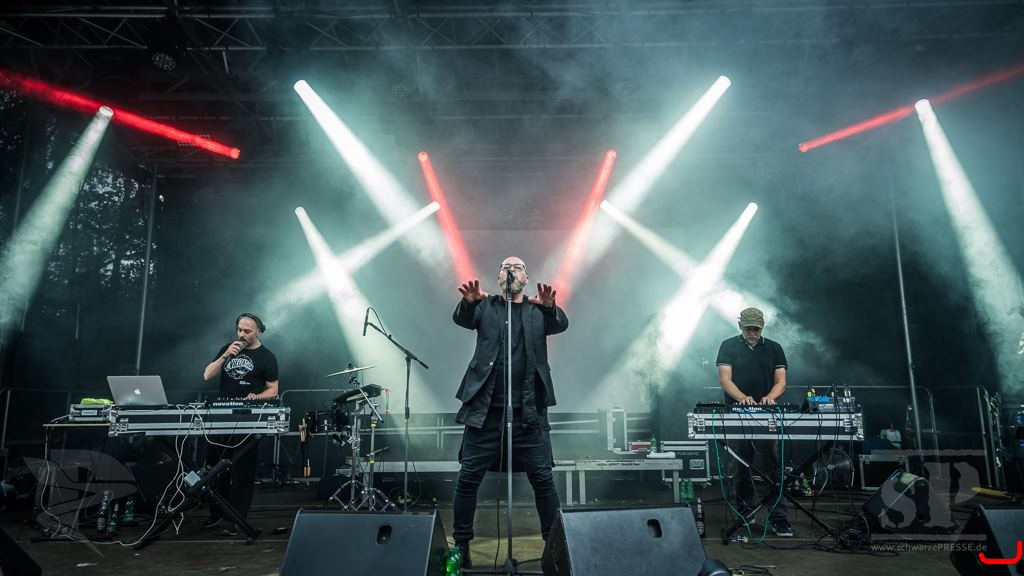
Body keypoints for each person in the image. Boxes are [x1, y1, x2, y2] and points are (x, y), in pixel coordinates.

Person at [451, 256, 569, 567]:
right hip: (485, 412)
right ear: (499, 277)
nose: (510, 270)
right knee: (468, 477)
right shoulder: (486, 306)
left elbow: (560, 323)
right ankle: (461, 546)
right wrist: (469, 303)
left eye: (517, 267)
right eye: (505, 267)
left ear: (526, 278)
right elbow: (462, 319)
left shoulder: (536, 310)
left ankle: (555, 548)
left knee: (543, 479)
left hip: (529, 412)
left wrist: (550, 308)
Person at [715, 307, 793, 537]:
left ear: (762, 327)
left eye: (756, 329)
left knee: (773, 465)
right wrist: (742, 398)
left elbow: (781, 381)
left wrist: (771, 397)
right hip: (737, 414)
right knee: (740, 465)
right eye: (748, 328)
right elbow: (725, 379)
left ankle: (779, 518)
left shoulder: (774, 348)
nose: (752, 333)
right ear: (740, 325)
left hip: (766, 414)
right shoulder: (728, 345)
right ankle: (745, 511)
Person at [200, 312, 279, 536]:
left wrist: (258, 397)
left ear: (258, 331)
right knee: (214, 468)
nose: (242, 335)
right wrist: (226, 355)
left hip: (247, 417)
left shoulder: (267, 357)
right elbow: (207, 375)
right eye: (239, 330)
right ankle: (216, 513)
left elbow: (273, 389)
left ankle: (235, 519)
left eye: (247, 331)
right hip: (221, 416)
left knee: (242, 471)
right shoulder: (228, 349)